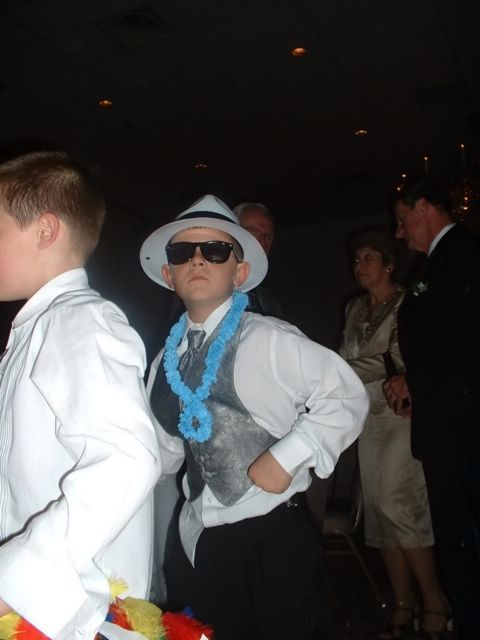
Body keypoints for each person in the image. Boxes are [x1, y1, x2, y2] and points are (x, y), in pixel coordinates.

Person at [140, 194, 369, 640]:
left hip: (273, 534)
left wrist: (289, 455)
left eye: (215, 250)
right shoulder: (163, 363)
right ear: (169, 274)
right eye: (182, 252)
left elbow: (345, 395)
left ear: (240, 273)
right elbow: (164, 449)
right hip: (198, 538)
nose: (197, 260)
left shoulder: (268, 338)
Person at [0, 151, 161, 640]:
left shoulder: (76, 320)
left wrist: (19, 576)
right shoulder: (40, 328)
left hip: (76, 614)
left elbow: (127, 458)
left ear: (45, 231)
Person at [340, 229, 448, 639]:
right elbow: (345, 353)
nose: (360, 266)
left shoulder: (407, 302)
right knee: (379, 514)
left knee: (400, 508)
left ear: (388, 263)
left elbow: (399, 357)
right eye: (356, 259)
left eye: (368, 258)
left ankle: (435, 601)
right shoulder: (354, 307)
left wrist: (337, 372)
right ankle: (403, 602)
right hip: (366, 419)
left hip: (399, 415)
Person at [384, 179, 480, 639]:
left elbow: (466, 339)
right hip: (449, 424)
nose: (399, 232)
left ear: (424, 207)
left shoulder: (463, 255)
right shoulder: (437, 262)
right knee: (457, 537)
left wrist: (415, 381)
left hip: (464, 427)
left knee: (465, 536)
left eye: (402, 220)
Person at [234, 201, 283, 317]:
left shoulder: (270, 304)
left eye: (267, 237)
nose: (261, 242)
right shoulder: (208, 286)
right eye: (253, 232)